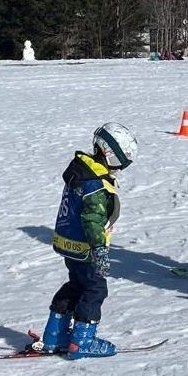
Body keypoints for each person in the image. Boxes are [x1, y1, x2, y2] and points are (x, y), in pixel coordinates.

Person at [31, 123, 137, 359]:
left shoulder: (82, 171)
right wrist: (99, 249)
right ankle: (82, 341)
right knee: (94, 289)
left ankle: (55, 335)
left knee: (76, 285)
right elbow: (92, 220)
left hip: (69, 244)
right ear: (110, 153)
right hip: (86, 247)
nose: (121, 168)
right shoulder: (95, 184)